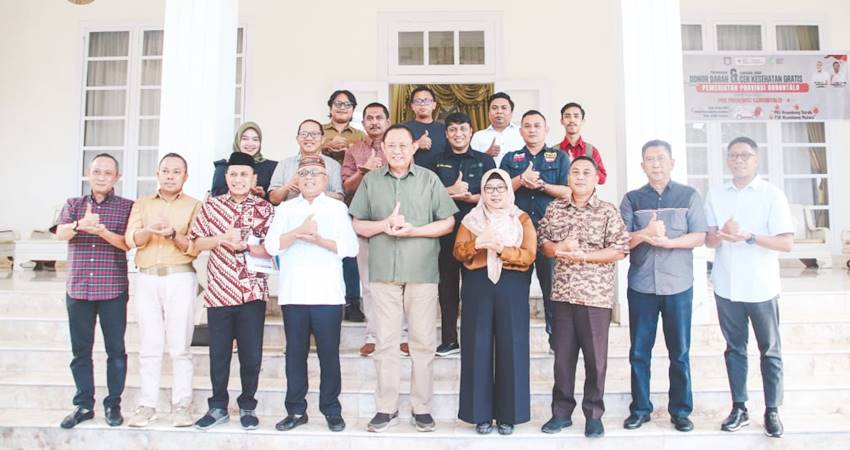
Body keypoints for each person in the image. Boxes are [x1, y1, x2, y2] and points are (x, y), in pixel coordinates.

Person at [350, 124, 458, 433]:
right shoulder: (371, 181)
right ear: (382, 149)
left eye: (403, 145)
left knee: (423, 342)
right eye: (391, 145)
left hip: (422, 272)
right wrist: (383, 225)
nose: (397, 150)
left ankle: (421, 408)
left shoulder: (429, 179)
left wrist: (415, 231)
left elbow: (448, 222)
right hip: (383, 272)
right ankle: (386, 408)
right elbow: (358, 224)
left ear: (413, 148)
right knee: (386, 343)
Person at [705, 136, 794, 438]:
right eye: (733, 155)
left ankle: (772, 410)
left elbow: (786, 243)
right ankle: (739, 407)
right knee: (734, 349)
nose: (739, 160)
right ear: (727, 160)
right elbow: (709, 241)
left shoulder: (772, 195)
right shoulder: (716, 194)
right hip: (727, 285)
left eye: (745, 155)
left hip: (761, 287)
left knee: (769, 350)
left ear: (756, 160)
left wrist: (750, 237)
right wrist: (721, 233)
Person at [265, 156, 358, 433]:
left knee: (329, 355)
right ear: (296, 178)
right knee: (295, 355)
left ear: (325, 179)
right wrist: (298, 232)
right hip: (293, 293)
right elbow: (271, 246)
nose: (308, 178)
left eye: (314, 174)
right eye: (303, 173)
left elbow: (350, 248)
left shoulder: (337, 208)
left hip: (327, 294)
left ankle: (331, 410)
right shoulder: (286, 208)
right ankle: (295, 410)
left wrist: (319, 240)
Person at [619, 140, 707, 433]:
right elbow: (621, 241)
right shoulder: (632, 199)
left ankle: (680, 411)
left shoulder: (688, 195)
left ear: (672, 163)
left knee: (679, 353)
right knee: (639, 352)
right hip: (641, 287)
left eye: (660, 158)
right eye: (649, 159)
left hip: (677, 285)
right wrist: (645, 233)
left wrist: (669, 242)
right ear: (642, 166)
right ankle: (640, 409)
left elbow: (699, 236)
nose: (655, 164)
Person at [538, 156, 629, 438]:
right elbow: (543, 242)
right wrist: (559, 248)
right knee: (562, 360)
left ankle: (594, 415)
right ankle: (561, 413)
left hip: (594, 297)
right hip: (563, 295)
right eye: (575, 172)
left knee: (595, 360)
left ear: (596, 178)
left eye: (586, 172)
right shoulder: (555, 208)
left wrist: (585, 256)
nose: (579, 177)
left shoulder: (607, 211)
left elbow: (620, 249)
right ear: (567, 178)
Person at [189, 152, 275, 431]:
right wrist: (220, 240)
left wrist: (247, 246)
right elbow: (196, 242)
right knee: (219, 354)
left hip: (253, 291)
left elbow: (273, 249)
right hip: (220, 291)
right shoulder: (211, 207)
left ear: (254, 178)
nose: (239, 179)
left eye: (244, 175)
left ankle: (248, 405)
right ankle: (217, 406)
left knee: (251, 354)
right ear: (226, 177)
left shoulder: (266, 209)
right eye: (234, 174)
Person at [53, 153, 133, 429]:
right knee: (80, 351)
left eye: (108, 173)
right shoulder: (73, 205)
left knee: (116, 351)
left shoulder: (126, 207)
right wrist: (79, 225)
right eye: (97, 171)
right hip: (78, 289)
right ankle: (84, 405)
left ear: (116, 177)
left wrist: (102, 231)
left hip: (112, 289)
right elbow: (60, 233)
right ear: (88, 173)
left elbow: (128, 244)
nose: (101, 177)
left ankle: (113, 404)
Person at [453, 168, 536, 436]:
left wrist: (501, 249)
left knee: (512, 346)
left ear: (509, 191)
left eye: (500, 188)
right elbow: (458, 252)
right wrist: (478, 244)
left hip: (512, 283)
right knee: (476, 346)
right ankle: (480, 415)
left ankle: (508, 415)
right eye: (489, 188)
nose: (495, 193)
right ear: (483, 192)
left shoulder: (521, 218)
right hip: (478, 285)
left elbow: (529, 254)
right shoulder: (471, 220)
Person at [125, 153, 202, 428]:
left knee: (180, 346)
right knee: (150, 345)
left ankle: (181, 405)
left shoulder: (194, 205)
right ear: (157, 174)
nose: (170, 176)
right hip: (146, 277)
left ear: (185, 176)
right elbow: (131, 239)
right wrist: (150, 230)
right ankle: (147, 405)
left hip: (179, 277)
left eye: (176, 171)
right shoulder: (142, 204)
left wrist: (172, 234)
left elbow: (194, 246)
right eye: (166, 171)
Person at [499, 110, 571, 348]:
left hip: (549, 234)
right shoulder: (511, 158)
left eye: (537, 125)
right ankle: (514, 343)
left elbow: (568, 192)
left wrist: (542, 185)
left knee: (552, 289)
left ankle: (556, 342)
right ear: (520, 131)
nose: (532, 130)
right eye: (527, 126)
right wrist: (521, 179)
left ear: (546, 129)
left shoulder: (559, 157)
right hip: (517, 235)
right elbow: (499, 190)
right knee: (514, 291)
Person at [341, 102, 408, 356]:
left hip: (396, 222)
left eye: (379, 117)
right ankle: (372, 335)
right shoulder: (354, 150)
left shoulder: (398, 148)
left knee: (399, 281)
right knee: (369, 284)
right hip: (365, 223)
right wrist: (364, 170)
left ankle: (402, 335)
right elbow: (347, 187)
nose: (374, 122)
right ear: (363, 123)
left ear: (388, 121)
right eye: (369, 118)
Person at [433, 112, 495, 356]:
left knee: (475, 290)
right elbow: (426, 196)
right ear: (446, 134)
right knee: (447, 289)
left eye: (462, 129)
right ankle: (449, 340)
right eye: (453, 130)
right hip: (446, 233)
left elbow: (495, 194)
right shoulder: (436, 161)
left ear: (471, 132)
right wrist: (451, 191)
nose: (458, 134)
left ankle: (474, 339)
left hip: (477, 235)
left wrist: (471, 198)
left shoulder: (485, 161)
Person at [268, 119, 343, 205]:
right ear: (297, 139)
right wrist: (289, 185)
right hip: (291, 211)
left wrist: (313, 191)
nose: (309, 138)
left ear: (322, 139)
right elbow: (273, 199)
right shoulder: (284, 164)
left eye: (314, 134)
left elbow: (340, 198)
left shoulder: (333, 165)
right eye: (304, 134)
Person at [211, 122, 278, 199]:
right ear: (238, 140)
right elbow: (216, 196)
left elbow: (278, 200)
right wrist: (244, 190)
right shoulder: (224, 166)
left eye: (255, 139)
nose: (250, 143)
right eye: (245, 139)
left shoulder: (272, 167)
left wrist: (263, 195)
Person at [555, 102, 608, 184]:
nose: (572, 120)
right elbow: (548, 179)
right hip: (561, 192)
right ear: (561, 121)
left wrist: (587, 166)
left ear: (582, 121)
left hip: (586, 192)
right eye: (567, 116)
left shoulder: (591, 150)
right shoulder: (554, 151)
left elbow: (602, 180)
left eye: (576, 116)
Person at [470, 92, 525, 167]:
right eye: (494, 108)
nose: (499, 111)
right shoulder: (478, 136)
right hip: (488, 174)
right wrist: (486, 155)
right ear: (488, 113)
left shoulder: (522, 133)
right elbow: (470, 165)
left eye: (504, 108)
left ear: (511, 113)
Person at [402, 86, 447, 171]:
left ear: (434, 105)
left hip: (440, 177)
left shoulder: (444, 129)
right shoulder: (403, 128)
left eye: (426, 101)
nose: (422, 104)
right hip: (412, 176)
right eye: (418, 101)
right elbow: (397, 152)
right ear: (412, 106)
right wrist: (417, 144)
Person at [321, 89, 366, 165]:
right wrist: (326, 147)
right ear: (330, 108)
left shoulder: (360, 135)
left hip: (352, 172)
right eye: (338, 104)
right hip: (322, 171)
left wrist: (350, 149)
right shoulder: (318, 130)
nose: (342, 107)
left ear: (353, 110)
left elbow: (367, 160)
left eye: (348, 104)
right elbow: (304, 154)